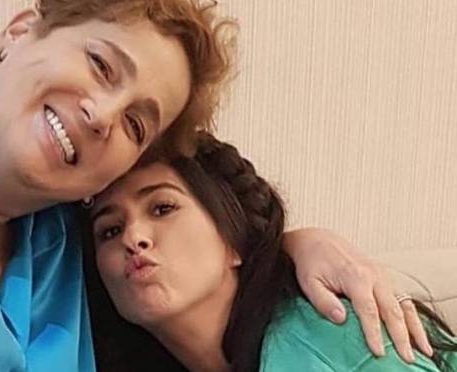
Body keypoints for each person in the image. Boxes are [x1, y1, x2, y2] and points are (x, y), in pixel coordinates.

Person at [0, 0, 429, 371]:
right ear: (21, 31)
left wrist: (291, 248)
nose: (102, 115)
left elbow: (196, 251)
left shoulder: (64, 241)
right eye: (100, 64)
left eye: (137, 125)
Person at [85, 132, 457, 371]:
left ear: (233, 239)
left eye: (162, 208)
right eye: (109, 230)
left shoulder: (327, 336)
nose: (133, 238)